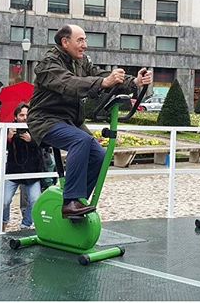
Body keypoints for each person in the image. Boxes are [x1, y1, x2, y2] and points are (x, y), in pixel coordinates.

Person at [27, 24, 152, 219]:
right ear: (65, 42)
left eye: (85, 40)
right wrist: (103, 83)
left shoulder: (81, 61)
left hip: (70, 121)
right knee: (81, 141)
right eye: (80, 40)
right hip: (45, 120)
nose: (85, 45)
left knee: (99, 156)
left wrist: (133, 82)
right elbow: (68, 83)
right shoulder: (48, 63)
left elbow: (99, 74)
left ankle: (78, 201)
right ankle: (71, 202)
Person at [2, 103, 44, 231]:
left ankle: (26, 224)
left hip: (32, 172)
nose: (24, 117)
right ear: (15, 117)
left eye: (27, 115)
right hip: (13, 171)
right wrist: (8, 138)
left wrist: (31, 140)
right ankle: (3, 222)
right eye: (21, 115)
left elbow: (45, 145)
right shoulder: (9, 128)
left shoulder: (36, 128)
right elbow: (0, 148)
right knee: (4, 201)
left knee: (35, 200)